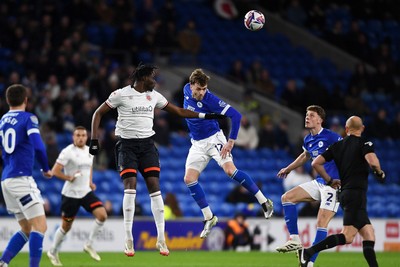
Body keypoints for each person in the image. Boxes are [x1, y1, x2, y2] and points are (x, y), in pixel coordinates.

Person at [89, 64, 224, 257]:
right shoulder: (121, 94)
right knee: (130, 186)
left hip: (147, 146)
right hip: (126, 146)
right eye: (153, 77)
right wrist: (94, 140)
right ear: (143, 78)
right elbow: (97, 113)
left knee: (155, 187)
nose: (156, 80)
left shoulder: (155, 96)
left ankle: (161, 238)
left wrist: (205, 115)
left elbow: (178, 111)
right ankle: (128, 238)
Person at [182, 69, 274, 239]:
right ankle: (209, 217)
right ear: (192, 85)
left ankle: (264, 201)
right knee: (189, 179)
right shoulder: (186, 89)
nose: (202, 93)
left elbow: (236, 116)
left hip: (214, 139)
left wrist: (231, 141)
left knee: (230, 171)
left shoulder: (210, 99)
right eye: (199, 89)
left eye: (204, 89)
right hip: (197, 143)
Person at [299, 116, 385, 267]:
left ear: (346, 129)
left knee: (368, 234)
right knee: (348, 236)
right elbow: (372, 161)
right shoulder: (364, 143)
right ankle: (309, 252)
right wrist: (379, 172)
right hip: (356, 194)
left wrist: (329, 180)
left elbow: (315, 163)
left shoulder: (337, 146)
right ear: (362, 128)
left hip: (345, 193)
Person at [276, 105, 342, 267]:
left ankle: (309, 262)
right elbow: (305, 155)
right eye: (306, 115)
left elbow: (347, 153)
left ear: (320, 120)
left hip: (333, 185)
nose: (307, 118)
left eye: (311, 115)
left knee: (321, 223)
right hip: (319, 182)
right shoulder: (308, 139)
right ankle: (295, 239)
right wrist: (288, 168)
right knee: (287, 198)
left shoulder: (332, 137)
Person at [0, 84, 53, 267]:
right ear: (26, 100)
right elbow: (38, 146)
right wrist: (46, 168)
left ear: (8, 101)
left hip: (6, 179)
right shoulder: (28, 118)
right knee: (41, 227)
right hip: (21, 178)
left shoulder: (3, 120)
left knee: (27, 228)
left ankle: (3, 262)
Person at [47, 126, 108, 266]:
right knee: (66, 226)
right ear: (73, 137)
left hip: (85, 192)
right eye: (77, 135)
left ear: (86, 137)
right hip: (70, 195)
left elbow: (90, 166)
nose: (80, 138)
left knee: (102, 215)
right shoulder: (67, 152)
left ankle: (89, 244)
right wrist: (69, 178)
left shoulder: (89, 151)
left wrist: (90, 182)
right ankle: (53, 250)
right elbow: (55, 171)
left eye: (83, 135)